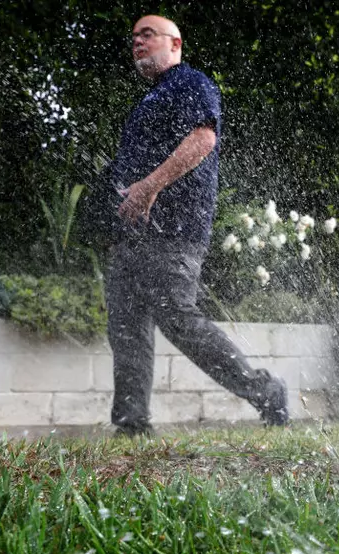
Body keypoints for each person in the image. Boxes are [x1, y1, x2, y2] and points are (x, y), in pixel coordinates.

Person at [104, 14, 288, 437]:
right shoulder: (148, 100)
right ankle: (131, 425)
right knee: (127, 330)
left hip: (174, 230)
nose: (138, 42)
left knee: (179, 320)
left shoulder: (190, 83)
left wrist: (149, 187)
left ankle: (265, 392)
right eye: (134, 37)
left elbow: (203, 140)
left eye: (148, 35)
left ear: (176, 43)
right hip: (131, 234)